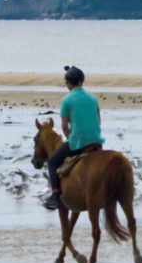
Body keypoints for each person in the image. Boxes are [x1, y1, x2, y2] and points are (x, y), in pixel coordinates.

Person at [41, 65, 102, 211]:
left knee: (52, 162)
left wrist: (71, 138)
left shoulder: (66, 100)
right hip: (96, 141)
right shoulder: (93, 98)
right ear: (82, 81)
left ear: (68, 83)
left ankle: (55, 195)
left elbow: (64, 127)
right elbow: (98, 121)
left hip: (78, 141)